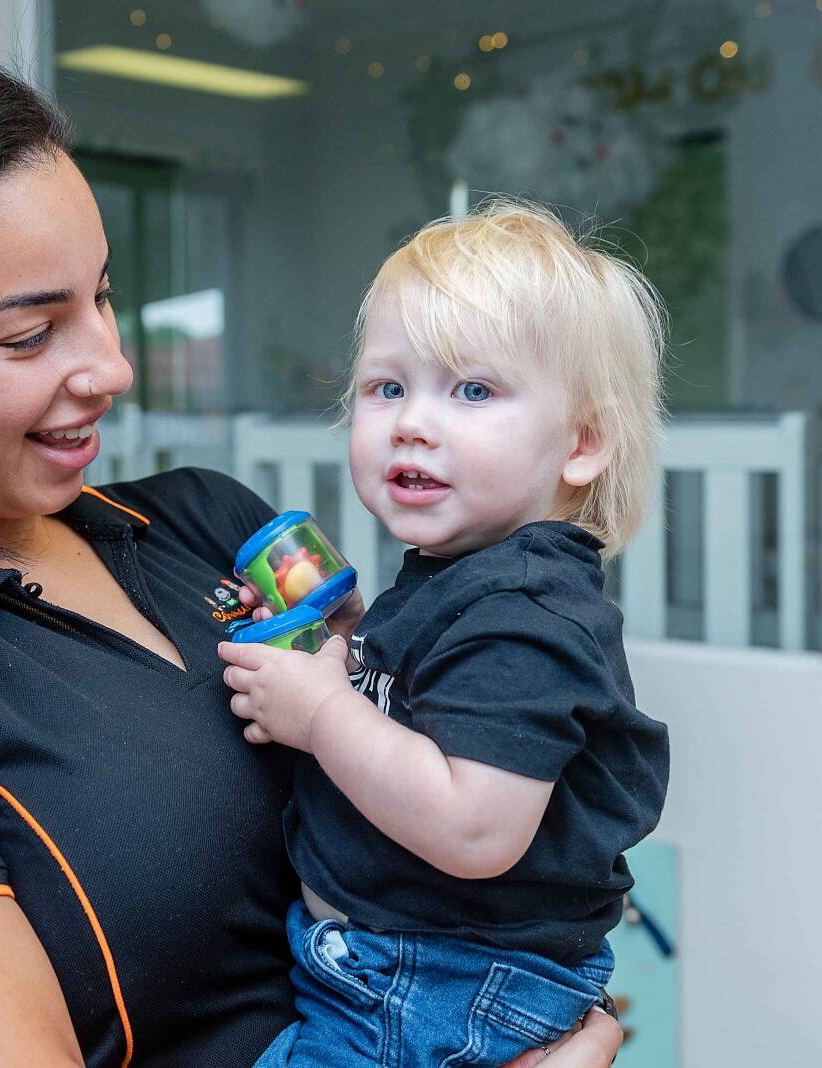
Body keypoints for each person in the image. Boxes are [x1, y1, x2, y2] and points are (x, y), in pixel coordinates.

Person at [0, 47, 625, 1068]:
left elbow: (446, 734)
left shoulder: (216, 522)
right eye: (30, 335)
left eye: (102, 296)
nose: (111, 366)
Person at [219, 204, 669, 1066]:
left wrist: (321, 712)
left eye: (473, 391)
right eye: (387, 388)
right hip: (401, 972)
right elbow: (431, 713)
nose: (412, 423)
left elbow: (473, 829)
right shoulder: (463, 578)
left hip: (436, 986)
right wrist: (349, 646)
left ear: (582, 443)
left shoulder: (525, 613)